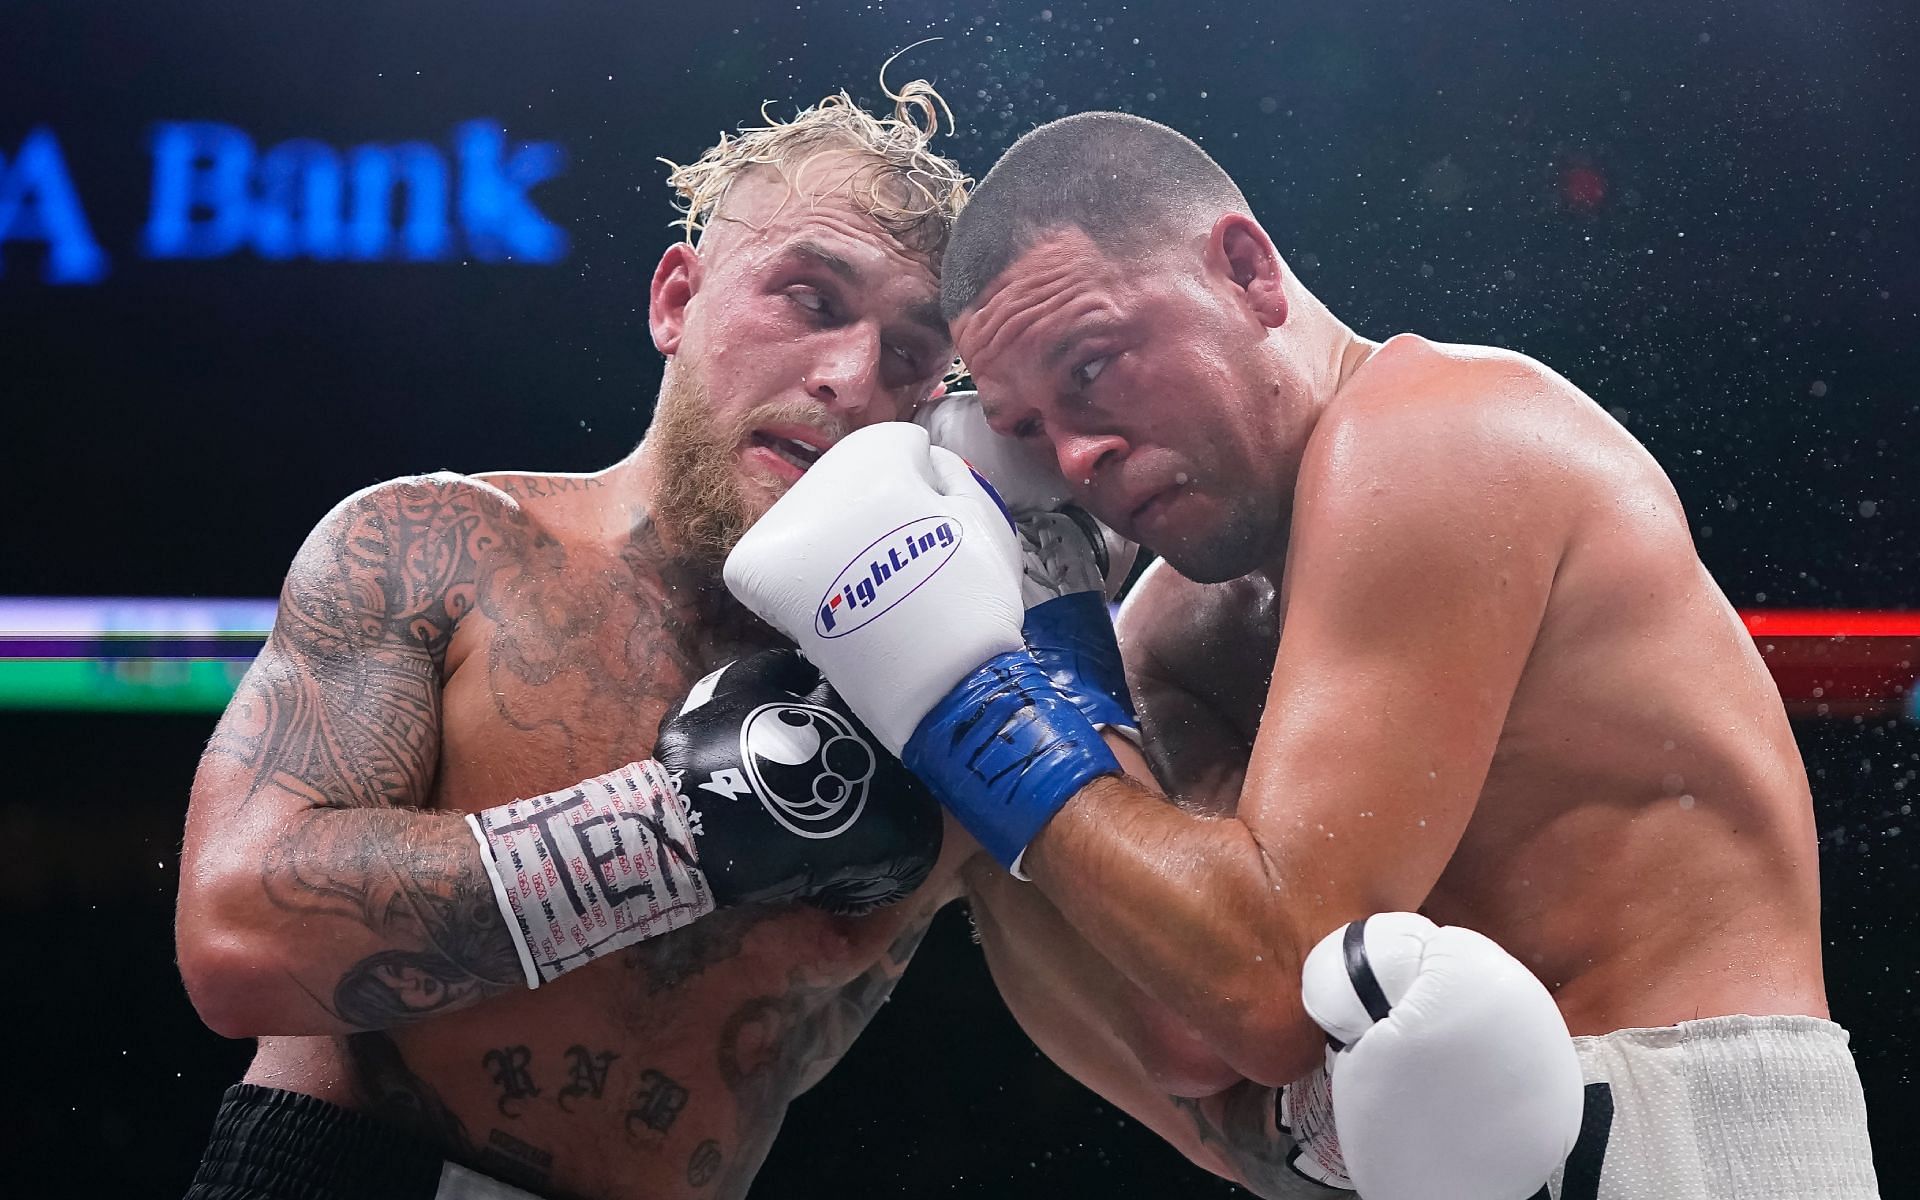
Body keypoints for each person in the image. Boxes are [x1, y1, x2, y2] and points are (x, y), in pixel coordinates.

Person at [723, 112, 1880, 1199]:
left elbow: (1266, 986)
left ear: (1247, 271)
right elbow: (1188, 1025)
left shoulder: (1440, 436)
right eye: (1025, 430)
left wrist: (973, 707)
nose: (1076, 457)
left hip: (1690, 1140)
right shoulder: (1172, 625)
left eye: (1091, 367)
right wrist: (1044, 650)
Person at [174, 84, 972, 1200]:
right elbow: (237, 941)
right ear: (676, 300)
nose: (850, 378)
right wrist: (688, 831)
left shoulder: (912, 704)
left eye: (910, 354)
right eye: (808, 297)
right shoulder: (435, 544)